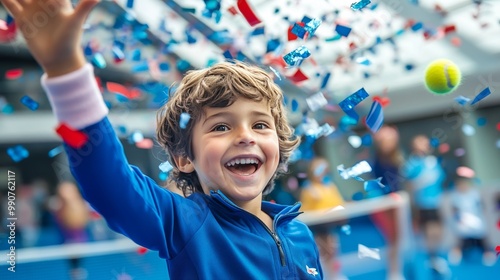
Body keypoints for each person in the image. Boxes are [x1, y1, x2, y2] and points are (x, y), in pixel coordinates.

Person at [2, 0, 323, 278]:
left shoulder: (299, 233)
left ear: (279, 147)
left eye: (261, 125)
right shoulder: (186, 222)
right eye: (221, 127)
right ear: (185, 158)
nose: (245, 137)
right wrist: (65, 70)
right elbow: (110, 184)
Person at [402, 134, 448, 277]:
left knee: (438, 230)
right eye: (420, 142)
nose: (424, 145)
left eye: (425, 142)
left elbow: (440, 178)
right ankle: (431, 258)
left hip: (437, 201)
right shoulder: (411, 163)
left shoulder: (433, 161)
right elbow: (408, 181)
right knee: (429, 231)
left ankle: (438, 257)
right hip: (422, 203)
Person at [299, 157, 345, 280]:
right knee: (321, 254)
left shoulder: (330, 187)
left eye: (323, 169)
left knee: (333, 251)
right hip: (316, 229)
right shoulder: (308, 189)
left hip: (331, 226)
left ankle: (335, 276)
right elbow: (304, 209)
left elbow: (339, 203)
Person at [370, 125, 405, 280]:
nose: (387, 144)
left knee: (398, 238)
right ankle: (393, 271)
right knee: (391, 238)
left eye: (390, 141)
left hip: (396, 201)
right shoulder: (377, 160)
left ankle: (396, 270)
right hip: (383, 203)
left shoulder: (398, 159)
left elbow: (400, 182)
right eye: (385, 141)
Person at [447, 176, 496, 266]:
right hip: (463, 222)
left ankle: (488, 254)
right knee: (462, 240)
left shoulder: (474, 194)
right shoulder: (456, 196)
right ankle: (456, 254)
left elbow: (481, 206)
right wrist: (459, 219)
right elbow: (454, 210)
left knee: (482, 238)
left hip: (476, 221)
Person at [49, 181, 90, 280]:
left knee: (76, 269)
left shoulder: (63, 208)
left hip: (75, 245)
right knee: (75, 269)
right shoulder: (60, 207)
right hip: (72, 244)